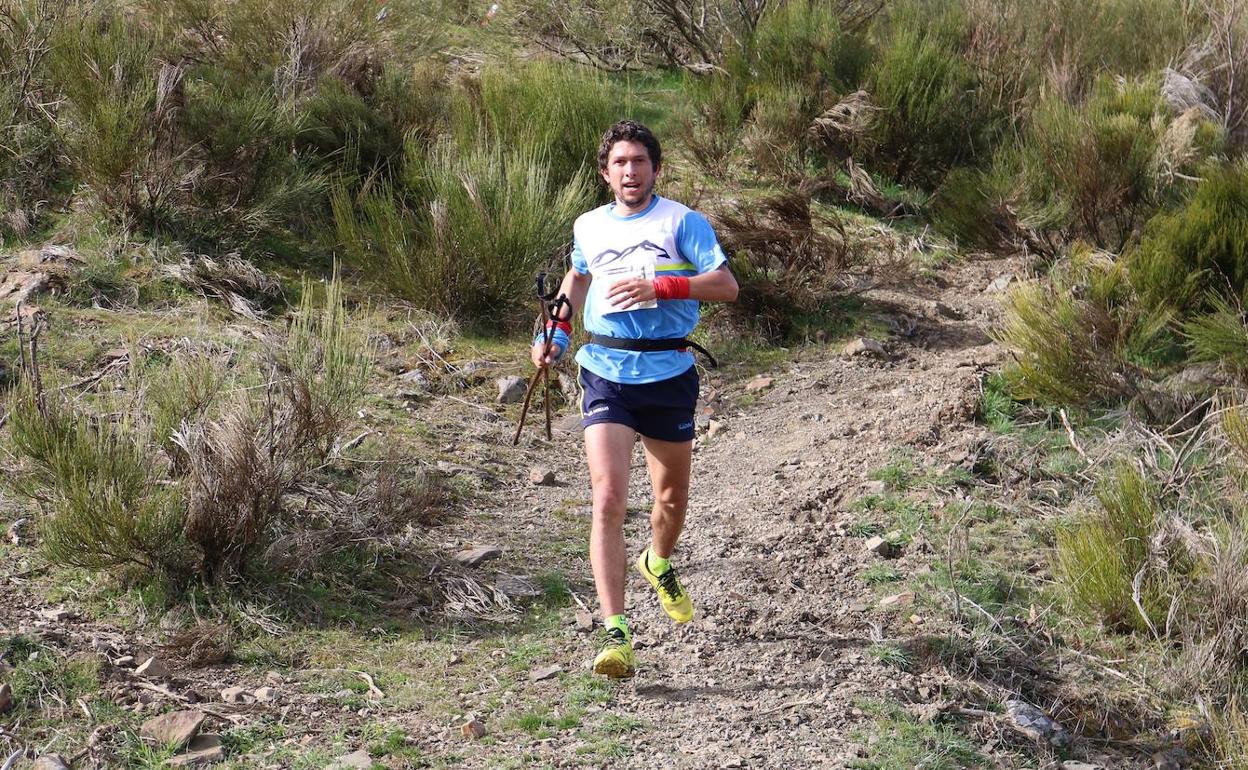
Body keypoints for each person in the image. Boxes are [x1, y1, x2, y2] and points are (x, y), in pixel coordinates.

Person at [529, 120, 738, 678]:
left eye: (639, 162)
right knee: (608, 500)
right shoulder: (589, 226)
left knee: (670, 503)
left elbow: (726, 286)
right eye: (619, 162)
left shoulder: (682, 223)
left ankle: (658, 560)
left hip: (670, 374)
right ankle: (616, 631)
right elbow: (577, 281)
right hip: (605, 371)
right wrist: (555, 332)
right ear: (605, 172)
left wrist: (664, 286)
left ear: (655, 169)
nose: (630, 171)